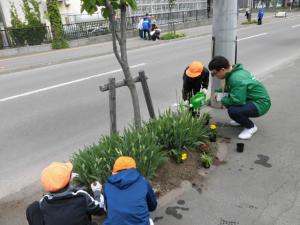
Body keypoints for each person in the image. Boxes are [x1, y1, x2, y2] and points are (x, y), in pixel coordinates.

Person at [208, 56, 271, 140]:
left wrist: (222, 99)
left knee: (233, 110)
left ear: (222, 70)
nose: (214, 76)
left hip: (261, 104)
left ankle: (251, 127)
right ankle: (241, 120)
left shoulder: (236, 78)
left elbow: (237, 101)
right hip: (254, 99)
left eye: (214, 73)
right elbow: (231, 89)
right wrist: (219, 92)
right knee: (233, 106)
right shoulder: (234, 72)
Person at [26, 162, 105, 225]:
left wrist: (68, 180)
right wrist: (97, 191)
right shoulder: (81, 196)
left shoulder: (43, 203)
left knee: (33, 208)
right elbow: (100, 209)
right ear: (69, 180)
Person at [102, 156, 157, 225]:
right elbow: (153, 206)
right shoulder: (143, 182)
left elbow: (107, 208)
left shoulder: (107, 186)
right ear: (134, 169)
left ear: (115, 171)